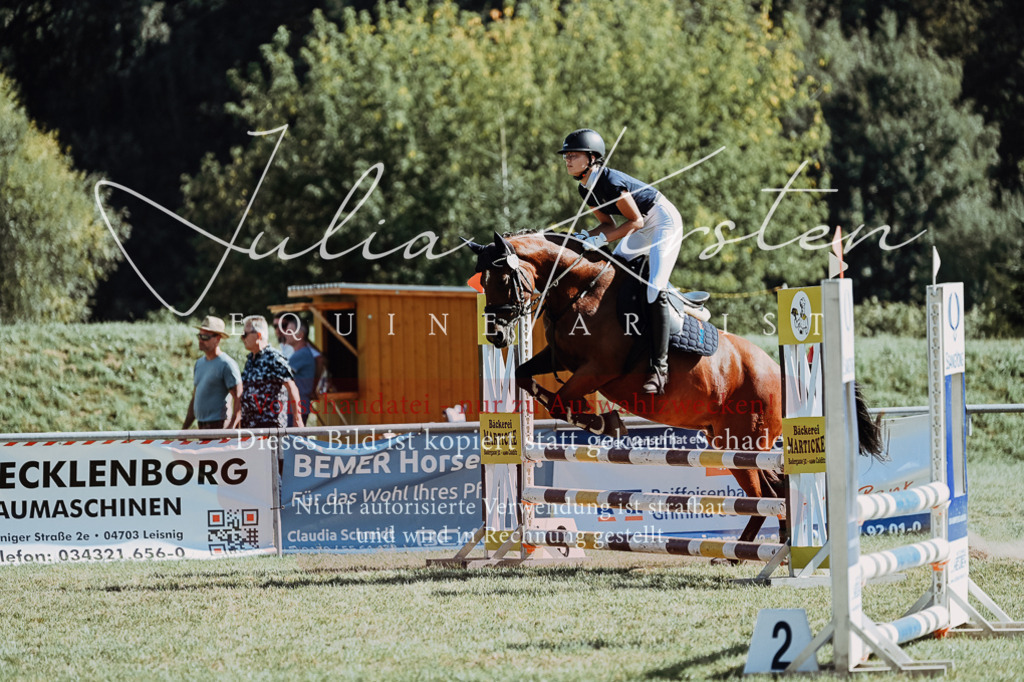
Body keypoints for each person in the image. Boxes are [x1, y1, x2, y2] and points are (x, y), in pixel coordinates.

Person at [558, 128, 684, 395]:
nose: (567, 160)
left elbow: (635, 221)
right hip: (642, 225)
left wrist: (601, 240)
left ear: (592, 158)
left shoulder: (611, 182)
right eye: (566, 156)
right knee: (614, 273)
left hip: (663, 221)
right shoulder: (585, 188)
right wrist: (585, 236)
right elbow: (608, 225)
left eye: (573, 155)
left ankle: (660, 370)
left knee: (655, 289)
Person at [239, 315, 304, 428]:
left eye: (245, 334)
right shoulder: (250, 359)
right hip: (249, 426)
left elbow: (291, 387)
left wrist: (297, 420)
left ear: (258, 335)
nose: (242, 338)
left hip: (269, 426)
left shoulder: (274, 358)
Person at [182, 315, 242, 430]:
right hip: (202, 425)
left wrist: (231, 427)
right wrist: (184, 429)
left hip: (220, 425)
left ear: (218, 339)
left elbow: (239, 397)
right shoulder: (199, 363)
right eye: (199, 336)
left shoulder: (227, 364)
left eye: (205, 337)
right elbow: (195, 398)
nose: (201, 340)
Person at [284, 319, 323, 427]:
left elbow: (279, 375)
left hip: (295, 409)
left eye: (289, 331)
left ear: (300, 335)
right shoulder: (304, 353)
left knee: (291, 438)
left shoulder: (301, 354)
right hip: (298, 407)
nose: (285, 334)